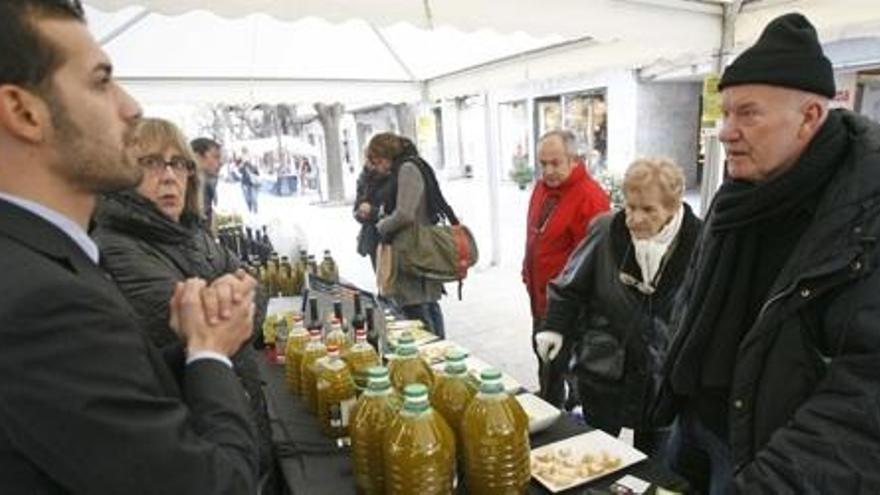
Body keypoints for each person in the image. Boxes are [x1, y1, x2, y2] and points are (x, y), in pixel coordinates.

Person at [0, 1, 259, 493]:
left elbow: (118, 405)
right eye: (100, 81)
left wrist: (191, 348)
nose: (131, 107)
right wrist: (208, 352)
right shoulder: (41, 302)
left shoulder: (47, 259)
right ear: (23, 112)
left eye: (179, 164)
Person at [654, 13, 880, 493]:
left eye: (748, 113)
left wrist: (770, 481)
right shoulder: (734, 194)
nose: (724, 131)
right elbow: (691, 298)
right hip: (691, 426)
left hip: (771, 462)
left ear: (810, 118)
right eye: (726, 110)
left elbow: (866, 390)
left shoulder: (863, 218)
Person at [93, 118, 276, 490]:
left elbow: (259, 297)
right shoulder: (116, 246)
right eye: (150, 162)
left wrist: (232, 301)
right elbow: (202, 330)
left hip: (237, 418)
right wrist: (231, 296)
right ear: (120, 171)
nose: (169, 176)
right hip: (197, 444)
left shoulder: (192, 233)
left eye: (180, 163)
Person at [535, 158, 701, 454]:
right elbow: (568, 287)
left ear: (674, 207)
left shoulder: (700, 241)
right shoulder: (605, 229)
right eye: (630, 207)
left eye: (648, 209)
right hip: (605, 369)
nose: (634, 218)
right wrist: (554, 328)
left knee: (654, 468)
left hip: (661, 378)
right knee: (596, 456)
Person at [523, 130, 610, 407]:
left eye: (555, 163)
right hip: (540, 297)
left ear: (574, 159)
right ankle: (549, 403)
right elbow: (535, 236)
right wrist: (527, 274)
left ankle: (574, 415)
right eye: (542, 163)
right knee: (545, 362)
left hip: (572, 308)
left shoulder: (590, 197)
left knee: (573, 371)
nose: (547, 170)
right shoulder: (541, 189)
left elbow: (594, 261)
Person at [371, 133, 451, 337]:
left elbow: (405, 213)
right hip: (416, 248)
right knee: (427, 307)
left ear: (387, 155)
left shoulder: (407, 169)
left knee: (419, 313)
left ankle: (433, 359)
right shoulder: (410, 166)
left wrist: (382, 225)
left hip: (414, 251)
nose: (376, 167)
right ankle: (439, 354)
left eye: (377, 161)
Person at [353, 159, 392, 268]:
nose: (371, 165)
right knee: (381, 278)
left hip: (389, 237)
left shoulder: (391, 177)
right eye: (368, 160)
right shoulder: (364, 177)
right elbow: (356, 208)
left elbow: (394, 211)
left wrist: (372, 211)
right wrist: (360, 213)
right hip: (372, 237)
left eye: (374, 161)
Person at [191, 136, 222, 228]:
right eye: (216, 157)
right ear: (197, 157)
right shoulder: (185, 189)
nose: (220, 162)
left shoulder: (207, 183)